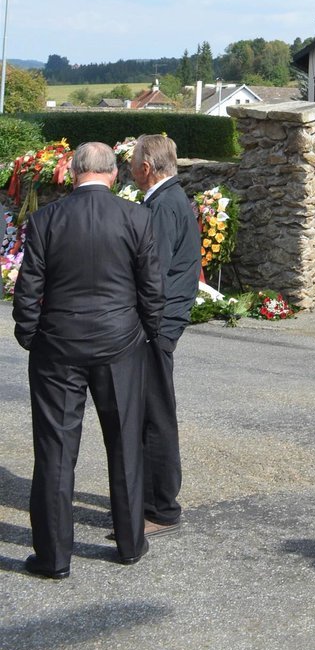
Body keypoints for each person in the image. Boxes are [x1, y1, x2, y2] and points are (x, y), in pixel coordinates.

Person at [12, 141, 166, 577]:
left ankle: (54, 557)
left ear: (74, 171)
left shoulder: (46, 219)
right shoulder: (136, 217)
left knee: (56, 451)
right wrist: (148, 336)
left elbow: (28, 289)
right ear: (113, 173)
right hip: (120, 345)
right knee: (125, 445)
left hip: (58, 347)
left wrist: (30, 336)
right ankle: (131, 544)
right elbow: (152, 288)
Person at [130, 133, 200, 535]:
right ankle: (149, 502)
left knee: (155, 416)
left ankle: (160, 509)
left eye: (134, 163)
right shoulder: (169, 199)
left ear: (146, 167)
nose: (131, 170)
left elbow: (151, 274)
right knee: (151, 414)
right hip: (163, 321)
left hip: (156, 325)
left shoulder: (163, 205)